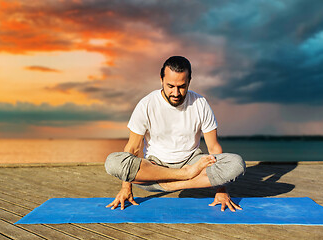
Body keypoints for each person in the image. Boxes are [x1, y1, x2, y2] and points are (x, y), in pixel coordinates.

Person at [105, 56, 246, 212]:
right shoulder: (146, 104)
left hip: (191, 163)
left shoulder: (200, 103)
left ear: (189, 82)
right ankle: (184, 176)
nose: (176, 92)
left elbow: (214, 147)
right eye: (170, 86)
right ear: (161, 80)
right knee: (113, 162)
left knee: (236, 164)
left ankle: (173, 182)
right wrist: (126, 187)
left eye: (181, 86)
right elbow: (132, 147)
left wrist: (222, 190)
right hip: (156, 167)